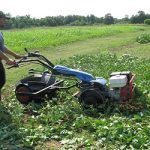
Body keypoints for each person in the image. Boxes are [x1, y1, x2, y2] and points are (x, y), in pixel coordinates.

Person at [0, 11, 22, 101]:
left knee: (1, 80)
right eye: (4, 19)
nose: (5, 21)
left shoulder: (0, 33)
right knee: (1, 80)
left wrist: (15, 55)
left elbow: (2, 47)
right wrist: (7, 59)